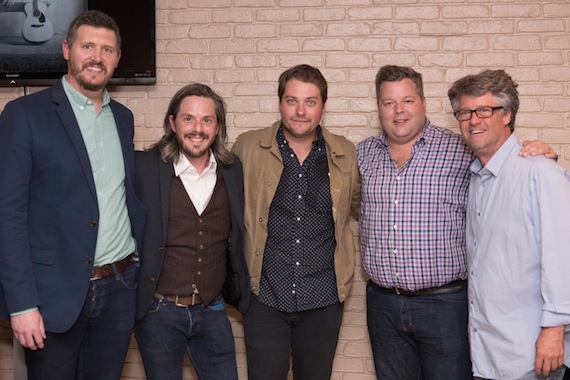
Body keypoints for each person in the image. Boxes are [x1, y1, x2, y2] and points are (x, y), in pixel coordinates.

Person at [356, 65, 557, 380]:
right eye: (388, 103)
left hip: (445, 303)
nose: (398, 111)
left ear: (423, 102)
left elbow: (502, 160)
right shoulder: (362, 154)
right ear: (378, 107)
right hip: (383, 303)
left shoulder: (462, 149)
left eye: (407, 100)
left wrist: (541, 154)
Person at [0, 10, 145, 380]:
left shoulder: (123, 119)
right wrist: (22, 305)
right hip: (53, 296)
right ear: (67, 50)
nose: (97, 57)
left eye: (107, 49)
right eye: (88, 46)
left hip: (118, 288)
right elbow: (9, 214)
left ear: (117, 58)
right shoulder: (24, 115)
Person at [231, 64, 361, 380]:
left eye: (310, 101)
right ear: (280, 103)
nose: (300, 111)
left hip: (324, 298)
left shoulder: (344, 152)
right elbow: (227, 213)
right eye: (292, 100)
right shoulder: (248, 147)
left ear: (323, 107)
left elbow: (356, 208)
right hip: (264, 297)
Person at [447, 69, 570, 380]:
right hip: (488, 351)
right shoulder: (477, 178)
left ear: (507, 115)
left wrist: (555, 331)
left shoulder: (540, 174)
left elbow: (562, 256)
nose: (473, 120)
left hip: (531, 354)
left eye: (485, 110)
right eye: (465, 112)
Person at [133, 83, 250, 380]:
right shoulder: (145, 167)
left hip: (212, 310)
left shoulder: (232, 170)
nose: (197, 129)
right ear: (172, 122)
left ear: (218, 126)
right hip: (159, 313)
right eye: (188, 119)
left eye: (206, 120)